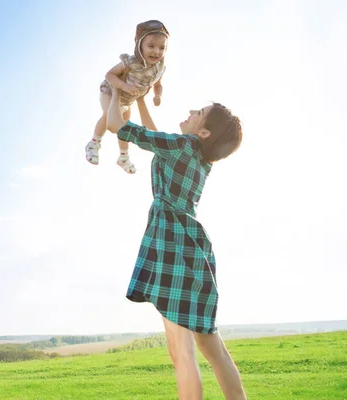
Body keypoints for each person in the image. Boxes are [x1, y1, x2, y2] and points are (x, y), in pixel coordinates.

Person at [106, 87, 247, 400]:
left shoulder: (182, 145)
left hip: (171, 246)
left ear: (203, 132)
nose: (191, 112)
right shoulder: (198, 156)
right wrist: (140, 98)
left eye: (198, 113)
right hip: (195, 249)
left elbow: (120, 127)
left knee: (181, 352)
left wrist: (116, 92)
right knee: (213, 348)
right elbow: (155, 138)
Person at [85, 19, 169, 174]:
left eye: (161, 47)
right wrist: (124, 86)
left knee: (124, 127)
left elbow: (158, 84)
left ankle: (123, 157)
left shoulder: (159, 68)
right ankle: (93, 144)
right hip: (110, 91)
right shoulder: (131, 62)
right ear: (140, 46)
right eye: (151, 46)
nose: (156, 51)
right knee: (108, 115)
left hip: (127, 101)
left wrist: (158, 96)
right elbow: (109, 75)